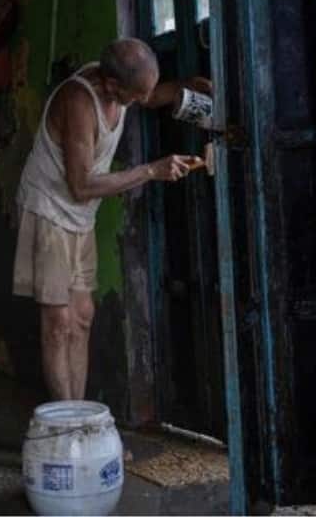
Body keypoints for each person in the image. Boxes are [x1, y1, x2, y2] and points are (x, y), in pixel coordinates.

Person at [14, 37, 210, 400]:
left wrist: (189, 87)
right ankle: (67, 420)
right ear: (111, 85)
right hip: (50, 209)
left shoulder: (123, 85)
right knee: (58, 321)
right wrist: (151, 171)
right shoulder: (78, 101)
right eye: (136, 95)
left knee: (82, 316)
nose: (142, 101)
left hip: (80, 215)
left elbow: (150, 96)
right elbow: (81, 186)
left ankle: (77, 411)